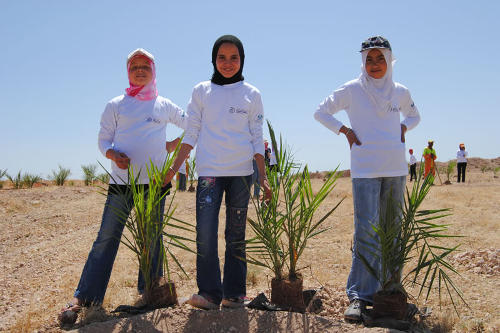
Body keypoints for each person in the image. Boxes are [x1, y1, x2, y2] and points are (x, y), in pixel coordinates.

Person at [59, 48, 188, 322]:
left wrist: (171, 147)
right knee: (106, 238)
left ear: (154, 72)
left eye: (145, 66)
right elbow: (104, 139)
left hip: (154, 185)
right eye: (134, 67)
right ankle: (84, 297)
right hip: (121, 184)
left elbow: (192, 126)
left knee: (152, 239)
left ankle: (150, 291)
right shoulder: (115, 104)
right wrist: (112, 155)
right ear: (127, 72)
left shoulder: (164, 105)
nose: (140, 70)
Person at [314, 36, 420, 321]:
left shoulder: (400, 91)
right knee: (366, 232)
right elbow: (320, 111)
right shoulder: (352, 89)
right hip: (365, 170)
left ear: (389, 60)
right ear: (363, 62)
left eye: (380, 58)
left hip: (396, 169)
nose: (375, 64)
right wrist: (346, 132)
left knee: (393, 231)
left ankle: (389, 289)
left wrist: (403, 128)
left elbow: (415, 116)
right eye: (369, 59)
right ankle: (359, 296)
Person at [162, 35, 271, 310]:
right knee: (205, 233)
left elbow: (257, 136)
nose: (228, 63)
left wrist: (263, 177)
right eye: (222, 57)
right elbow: (192, 132)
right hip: (209, 173)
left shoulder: (252, 94)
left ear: (242, 60)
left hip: (242, 174)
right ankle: (210, 292)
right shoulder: (201, 91)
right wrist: (173, 169)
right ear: (214, 59)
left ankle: (234, 294)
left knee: (236, 234)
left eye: (234, 57)